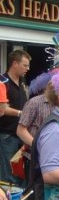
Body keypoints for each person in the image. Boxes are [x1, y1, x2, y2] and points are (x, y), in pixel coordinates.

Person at [0, 50, 31, 185]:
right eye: (25, 65)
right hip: (7, 135)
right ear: (14, 63)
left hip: (21, 135)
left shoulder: (23, 83)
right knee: (8, 176)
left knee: (21, 174)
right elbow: (3, 109)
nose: (28, 69)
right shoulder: (2, 82)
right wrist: (22, 113)